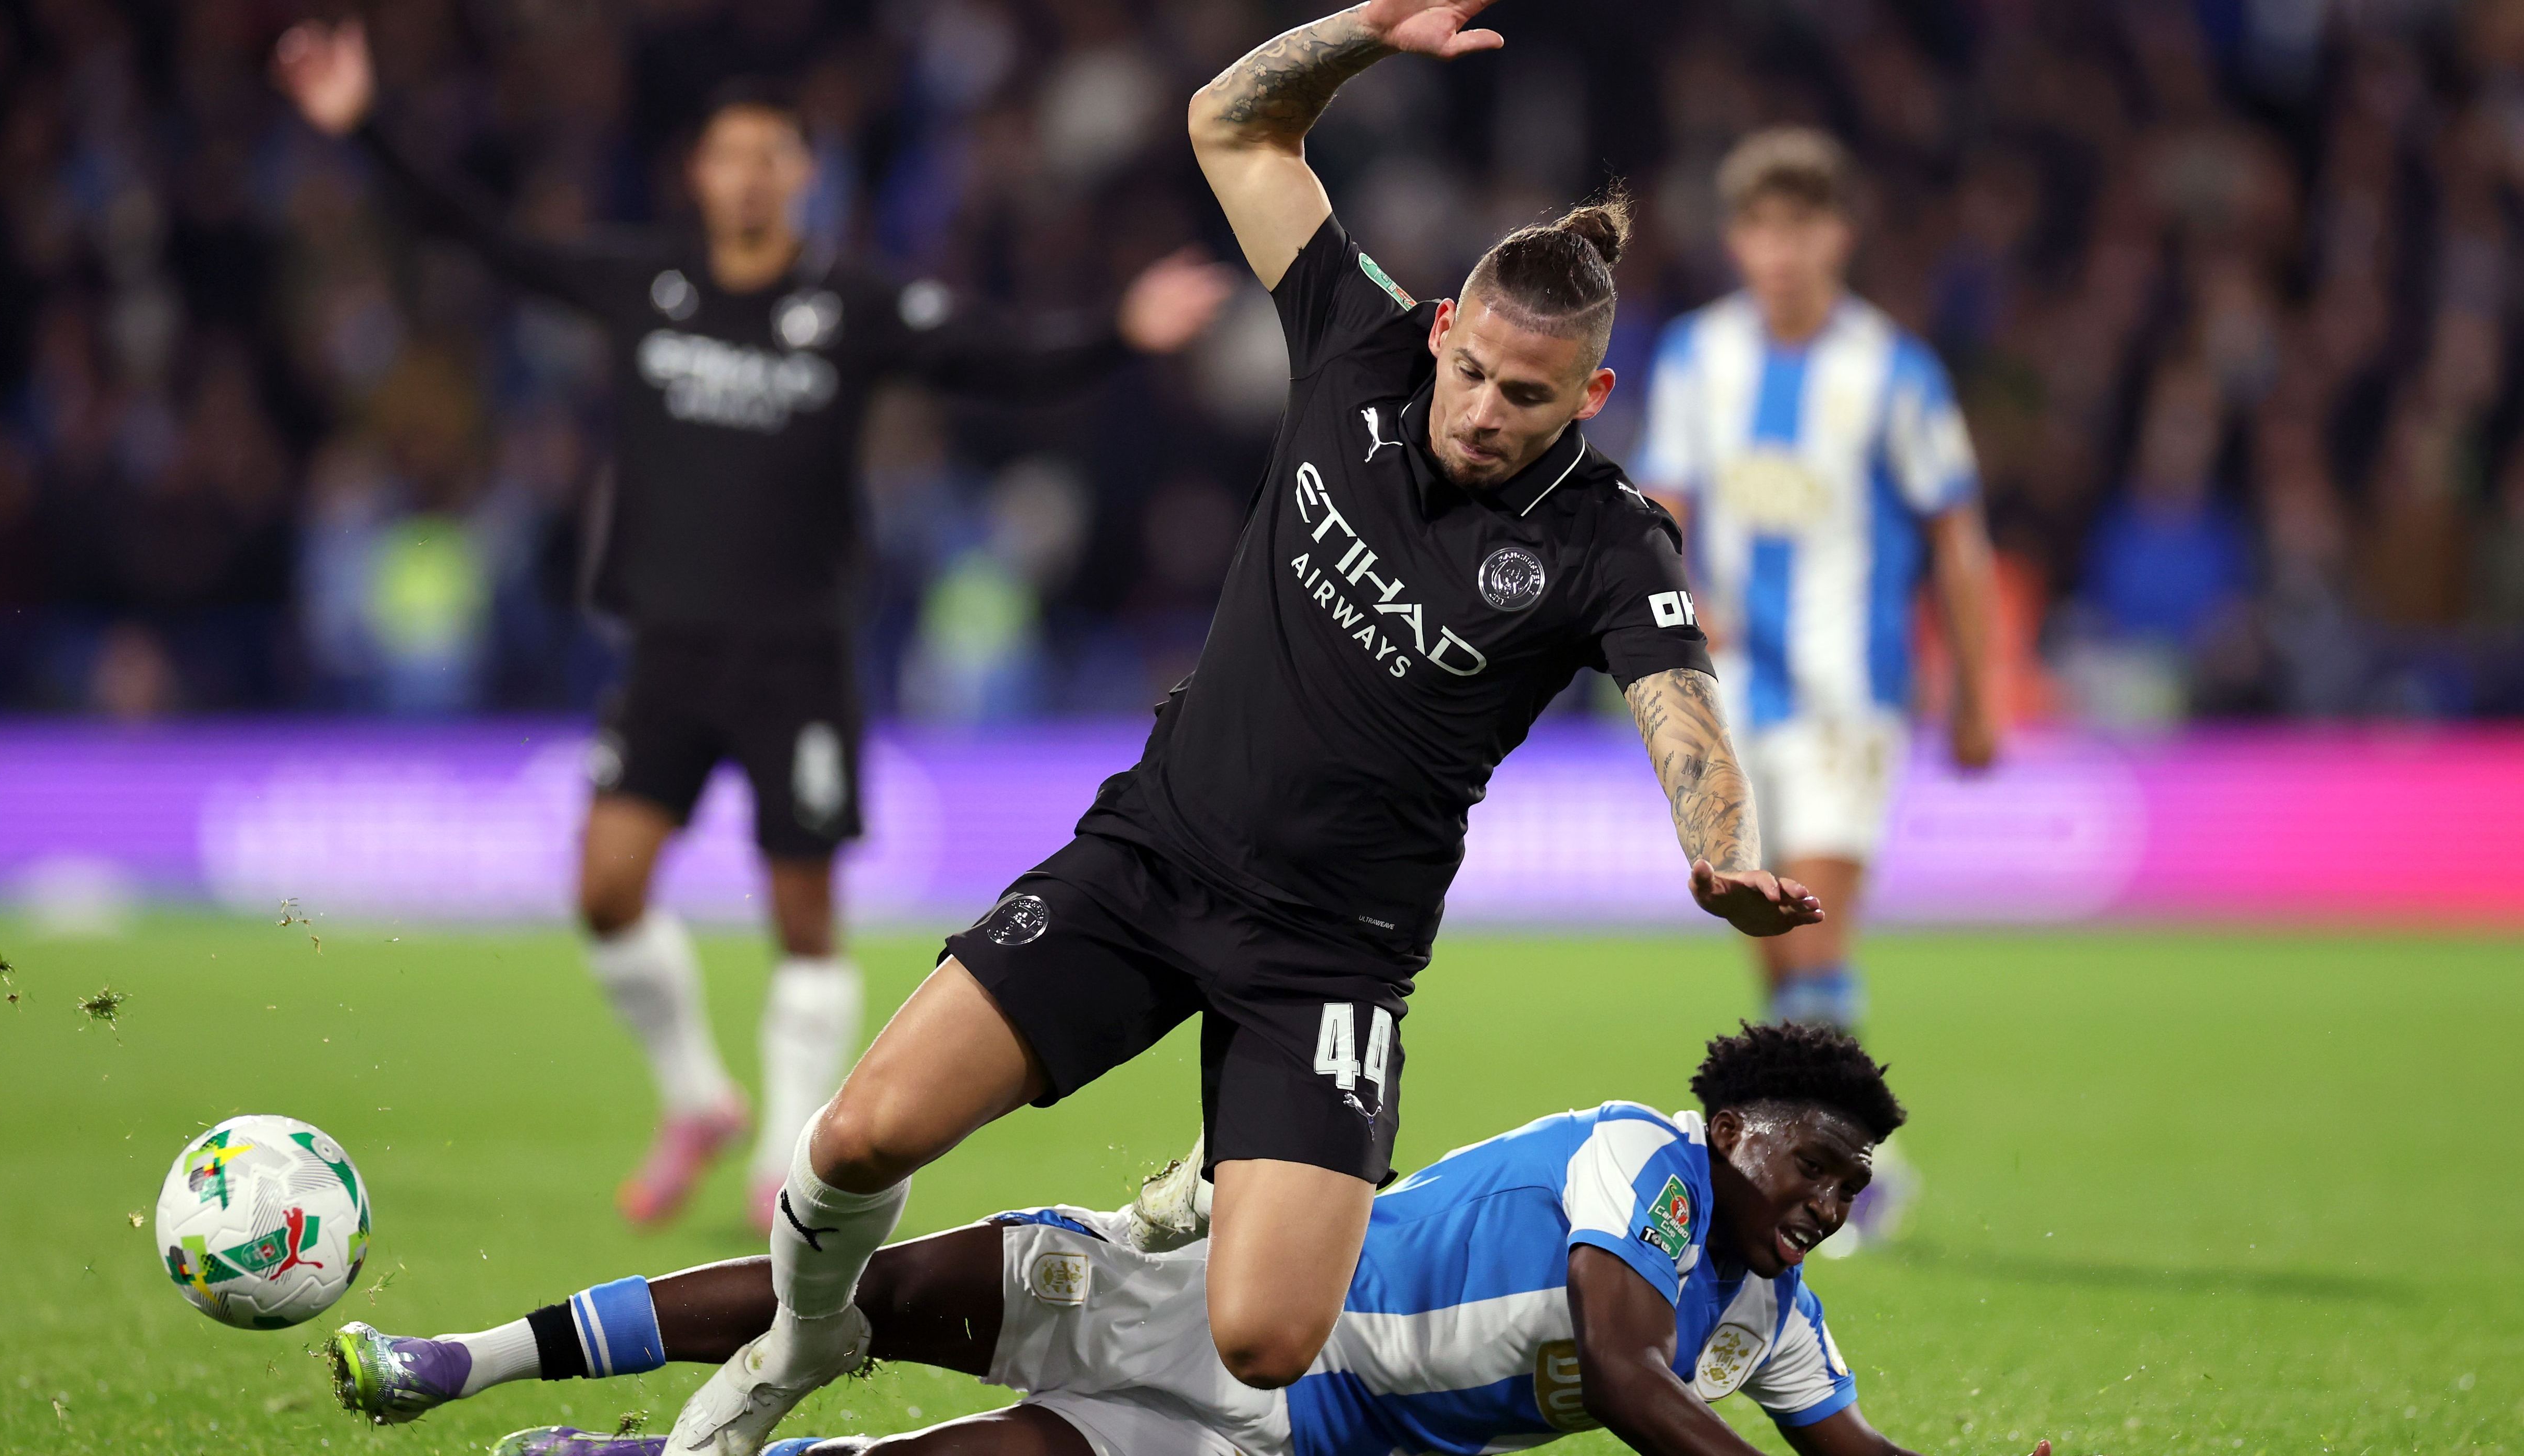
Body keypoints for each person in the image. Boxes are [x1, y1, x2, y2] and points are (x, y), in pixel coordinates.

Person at [645, 4, 1829, 1452]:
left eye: (1528, 399)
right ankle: (799, 1344)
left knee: (1265, 1339)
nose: (1481, 412)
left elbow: (1680, 704)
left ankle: (1164, 1212)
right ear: (1444, 330)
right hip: (1152, 863)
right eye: (1471, 372)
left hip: (1328, 959)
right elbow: (1231, 123)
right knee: (853, 1141)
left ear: (1588, 396)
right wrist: (1368, 33)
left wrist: (1721, 850)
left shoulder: (1605, 539)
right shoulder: (1359, 347)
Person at [273, 22, 1232, 1232]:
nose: (749, 175)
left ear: (802, 173)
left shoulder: (848, 303)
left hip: (796, 655)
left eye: (773, 156)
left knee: (800, 916)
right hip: (665, 651)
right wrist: (365, 123)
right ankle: (693, 1096)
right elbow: (487, 238)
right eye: (729, 156)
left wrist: (1116, 330)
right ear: (699, 174)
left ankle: (782, 1151)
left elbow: (990, 352)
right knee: (606, 885)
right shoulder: (643, 284)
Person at [322, 1023, 2049, 1456]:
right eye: (1814, 1167)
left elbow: (1841, 1439)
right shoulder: (1642, 1166)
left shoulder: (1770, 1312)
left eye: (1847, 1189)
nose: (1827, 1207)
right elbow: (1616, 1366)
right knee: (865, 1303)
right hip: (1200, 1290)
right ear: (1729, 1127)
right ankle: (455, 1362)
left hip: (1268, 1439)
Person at [1632, 128, 1998, 1248]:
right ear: (1737, 238)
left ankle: (1833, 1184)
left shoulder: (1892, 371)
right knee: (1768, 943)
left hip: (1850, 691)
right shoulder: (1698, 359)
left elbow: (1956, 534)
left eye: (1800, 226)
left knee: (1819, 941)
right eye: (1758, 227)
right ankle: (1840, 1174)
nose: (1778, 250)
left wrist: (1976, 689)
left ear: (1837, 233)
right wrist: (1669, 593)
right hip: (1729, 691)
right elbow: (1661, 509)